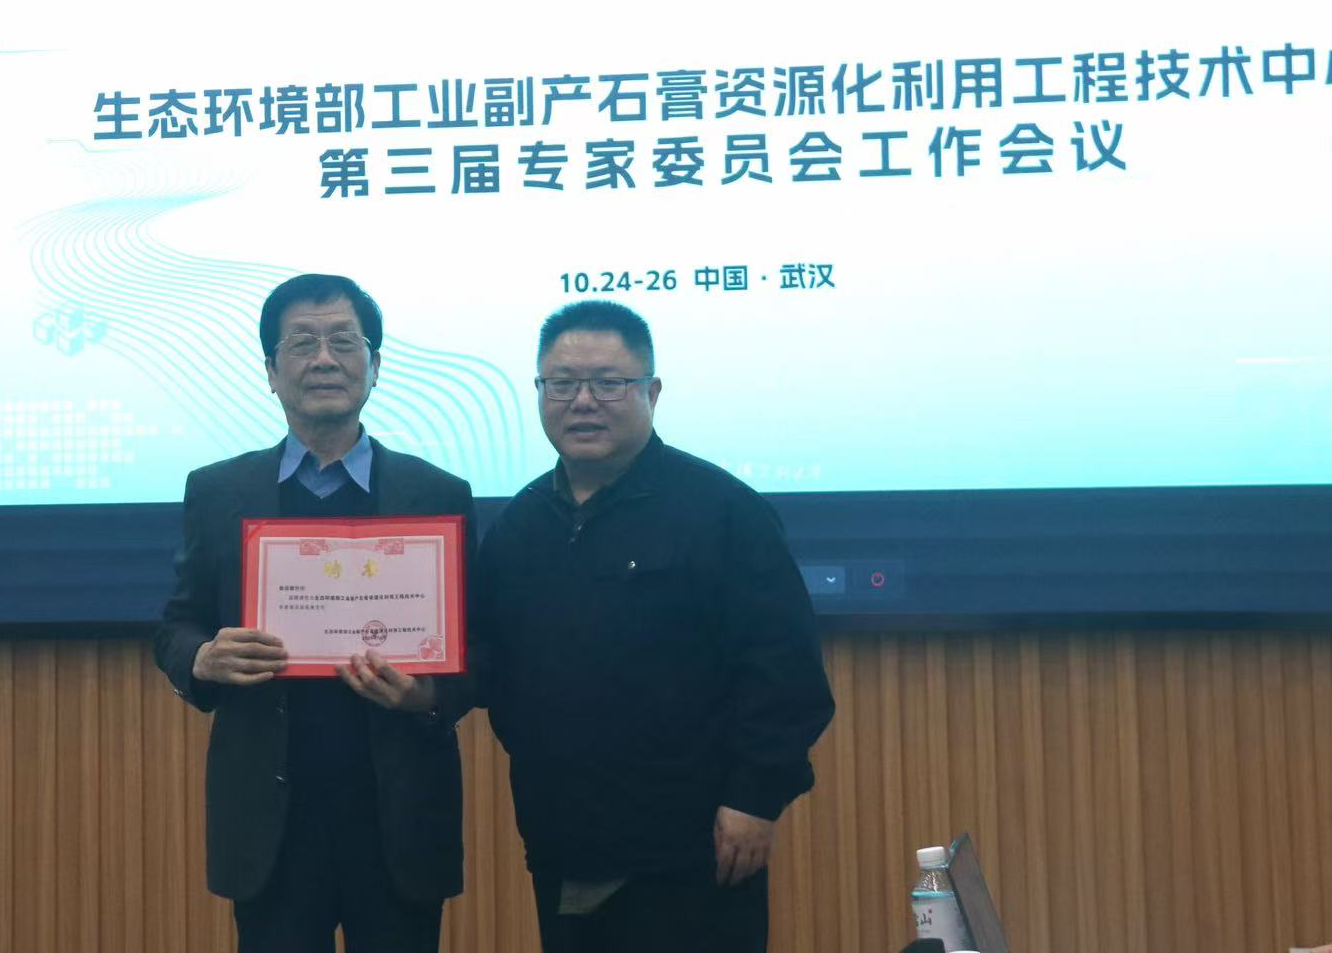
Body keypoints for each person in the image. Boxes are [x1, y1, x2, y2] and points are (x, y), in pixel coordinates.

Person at [476, 299, 836, 953]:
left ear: (653, 391)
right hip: (564, 843)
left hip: (695, 849)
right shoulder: (517, 527)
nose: (583, 401)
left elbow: (785, 672)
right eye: (561, 383)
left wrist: (755, 798)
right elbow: (494, 666)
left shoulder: (722, 511)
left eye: (609, 383)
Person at [153, 273, 475, 953]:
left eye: (343, 342)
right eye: (301, 343)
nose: (324, 359)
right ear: (272, 372)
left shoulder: (437, 493)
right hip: (271, 820)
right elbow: (177, 624)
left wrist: (428, 696)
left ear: (375, 365)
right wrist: (202, 658)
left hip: (398, 817)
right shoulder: (218, 491)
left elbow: (483, 645)